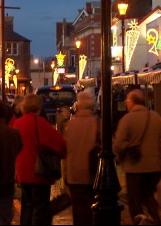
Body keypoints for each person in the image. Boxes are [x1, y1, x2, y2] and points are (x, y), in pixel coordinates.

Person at [113, 89, 161, 225]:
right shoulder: (156, 118)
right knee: (148, 196)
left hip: (134, 168)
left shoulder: (127, 120)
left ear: (132, 102)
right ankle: (157, 221)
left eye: (127, 101)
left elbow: (118, 144)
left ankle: (139, 222)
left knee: (134, 200)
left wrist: (123, 153)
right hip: (154, 167)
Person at [12, 94, 67, 225]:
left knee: (27, 207)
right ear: (38, 107)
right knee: (40, 209)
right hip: (38, 173)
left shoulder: (17, 124)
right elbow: (59, 144)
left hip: (22, 173)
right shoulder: (39, 123)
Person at [63, 91, 100, 225]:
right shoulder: (96, 123)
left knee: (78, 209)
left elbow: (65, 150)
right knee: (92, 207)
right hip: (91, 172)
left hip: (74, 173)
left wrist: (65, 174)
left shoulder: (70, 125)